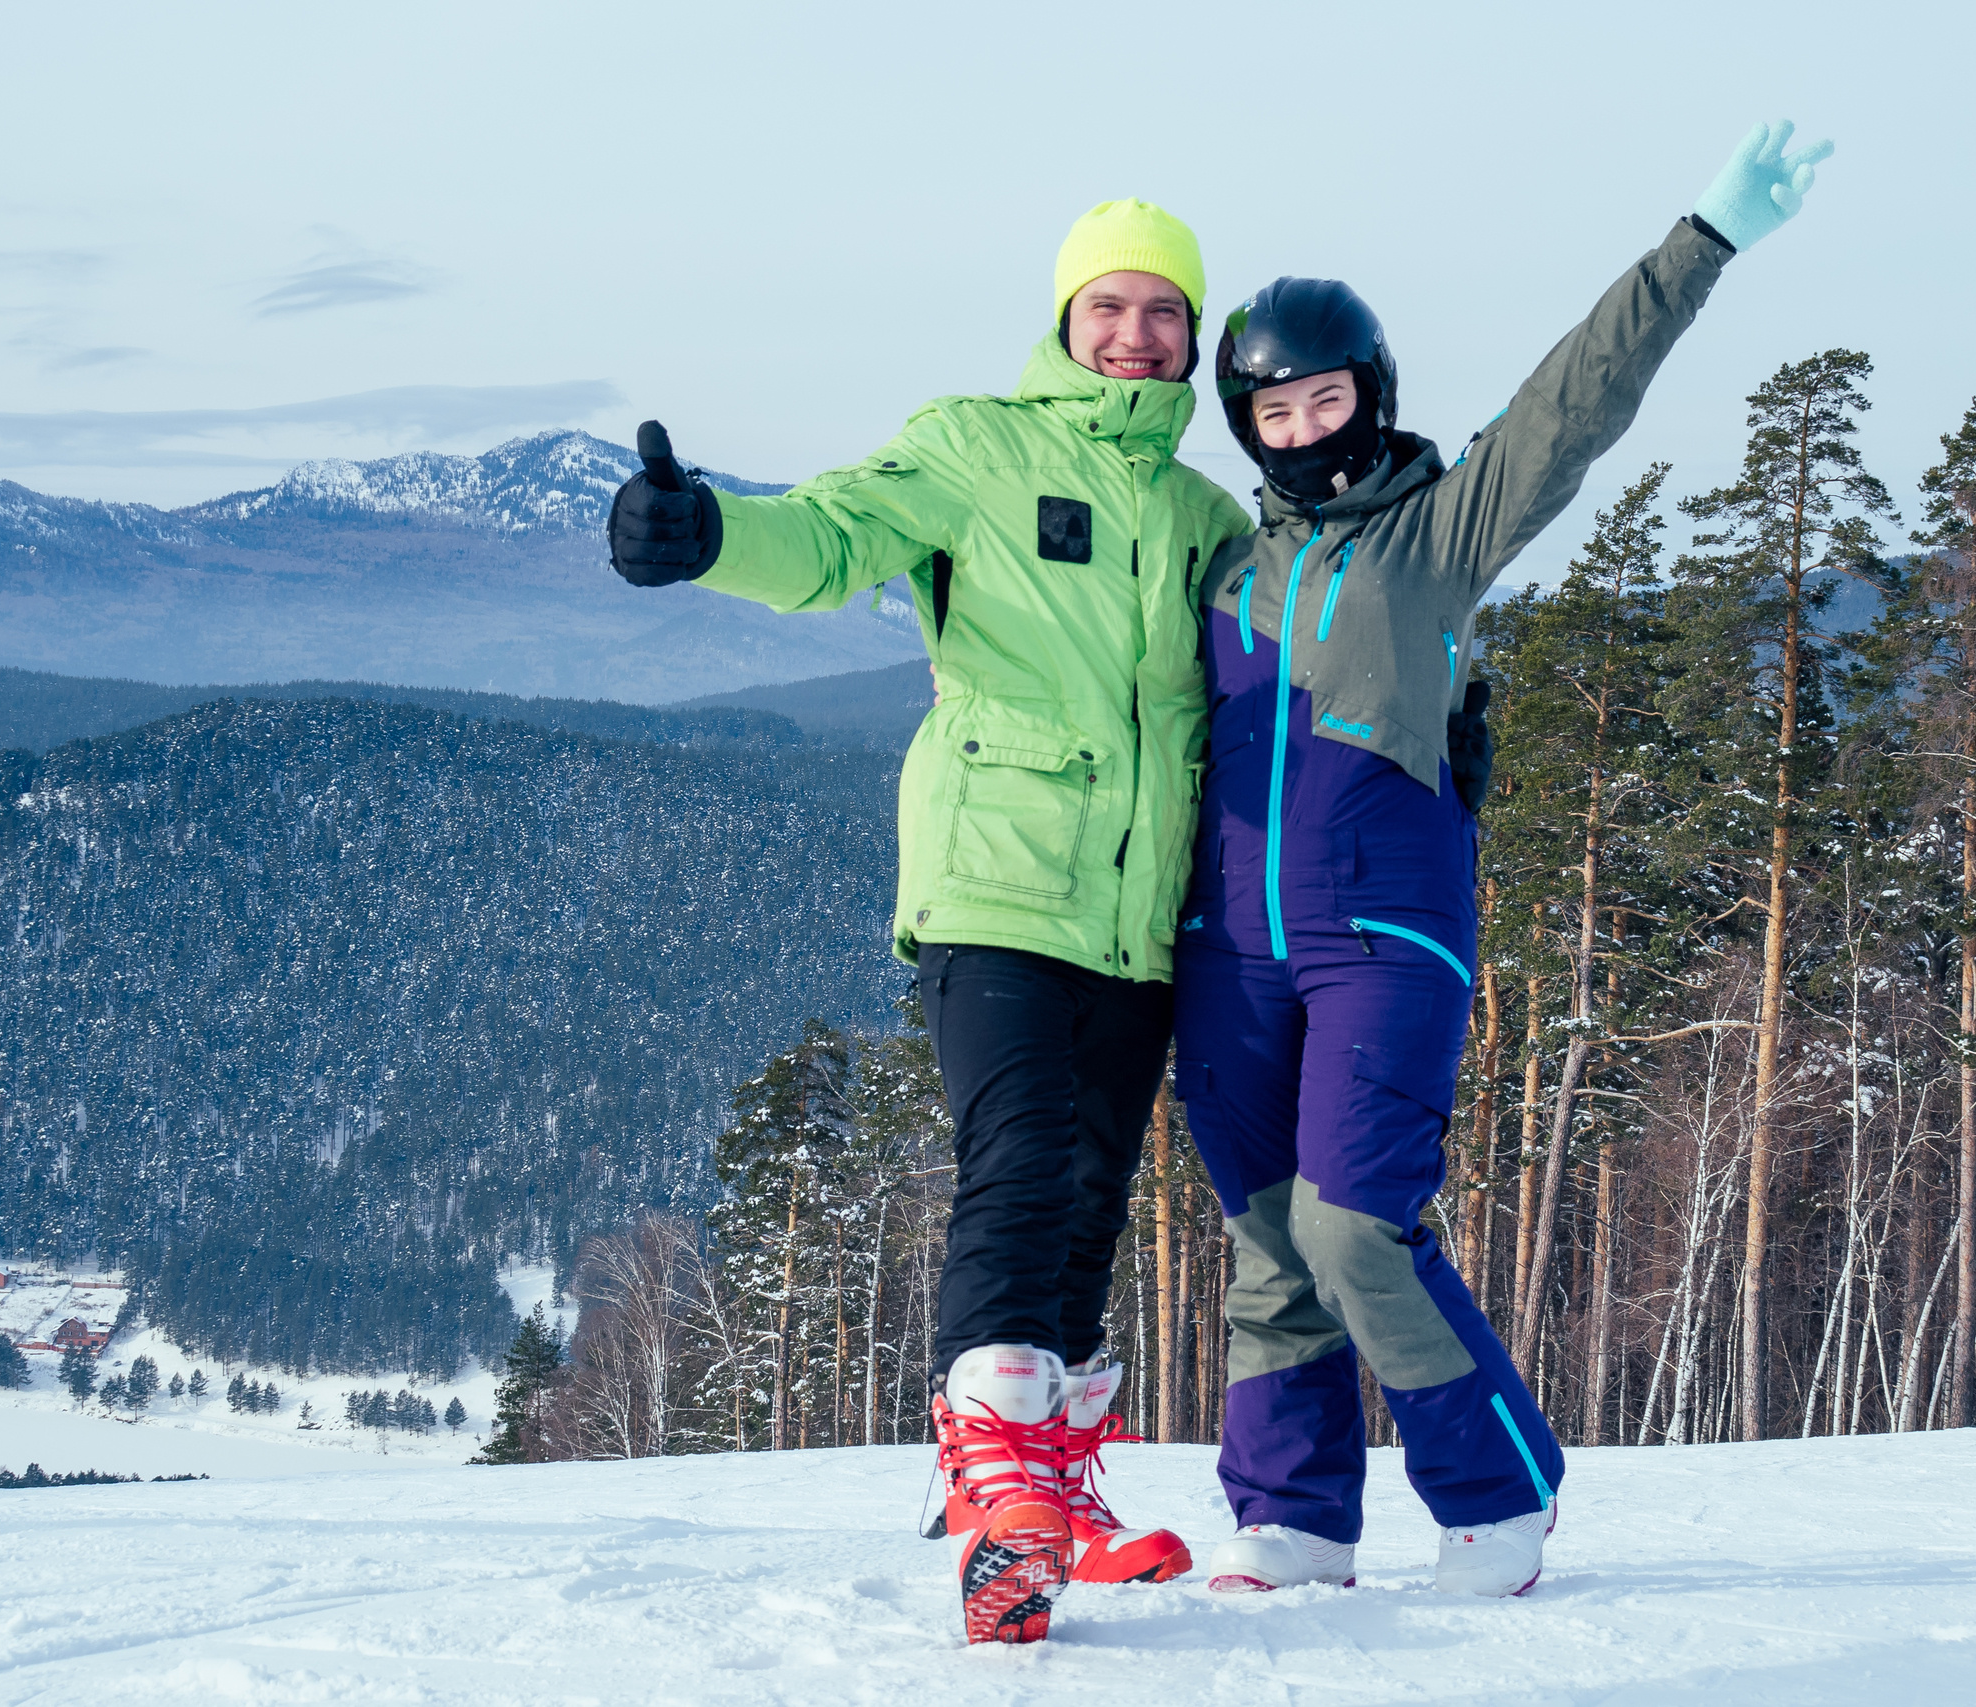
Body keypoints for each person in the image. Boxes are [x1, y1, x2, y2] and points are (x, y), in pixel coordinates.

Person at [1173, 122, 1834, 1599]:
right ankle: (1293, 1521)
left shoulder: (1433, 532)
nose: (1303, 430)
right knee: (1270, 1241)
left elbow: (1570, 402)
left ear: (1373, 394)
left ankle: (1496, 1494)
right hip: (1229, 951)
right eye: (1273, 410)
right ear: (1244, 423)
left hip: (1381, 932)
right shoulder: (1219, 564)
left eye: (1327, 399)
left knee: (1354, 1224)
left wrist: (1701, 241)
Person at [606, 200, 1253, 1644]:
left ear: (1193, 338)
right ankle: (993, 1488)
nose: (1135, 334)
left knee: (1088, 1199)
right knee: (1018, 1163)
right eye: (1109, 306)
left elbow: (1269, 695)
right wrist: (706, 533)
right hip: (998, 884)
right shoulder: (977, 448)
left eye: (1164, 312)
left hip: (1141, 921)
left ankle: (1058, 1491)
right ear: (1065, 319)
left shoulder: (1206, 520)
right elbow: (831, 536)